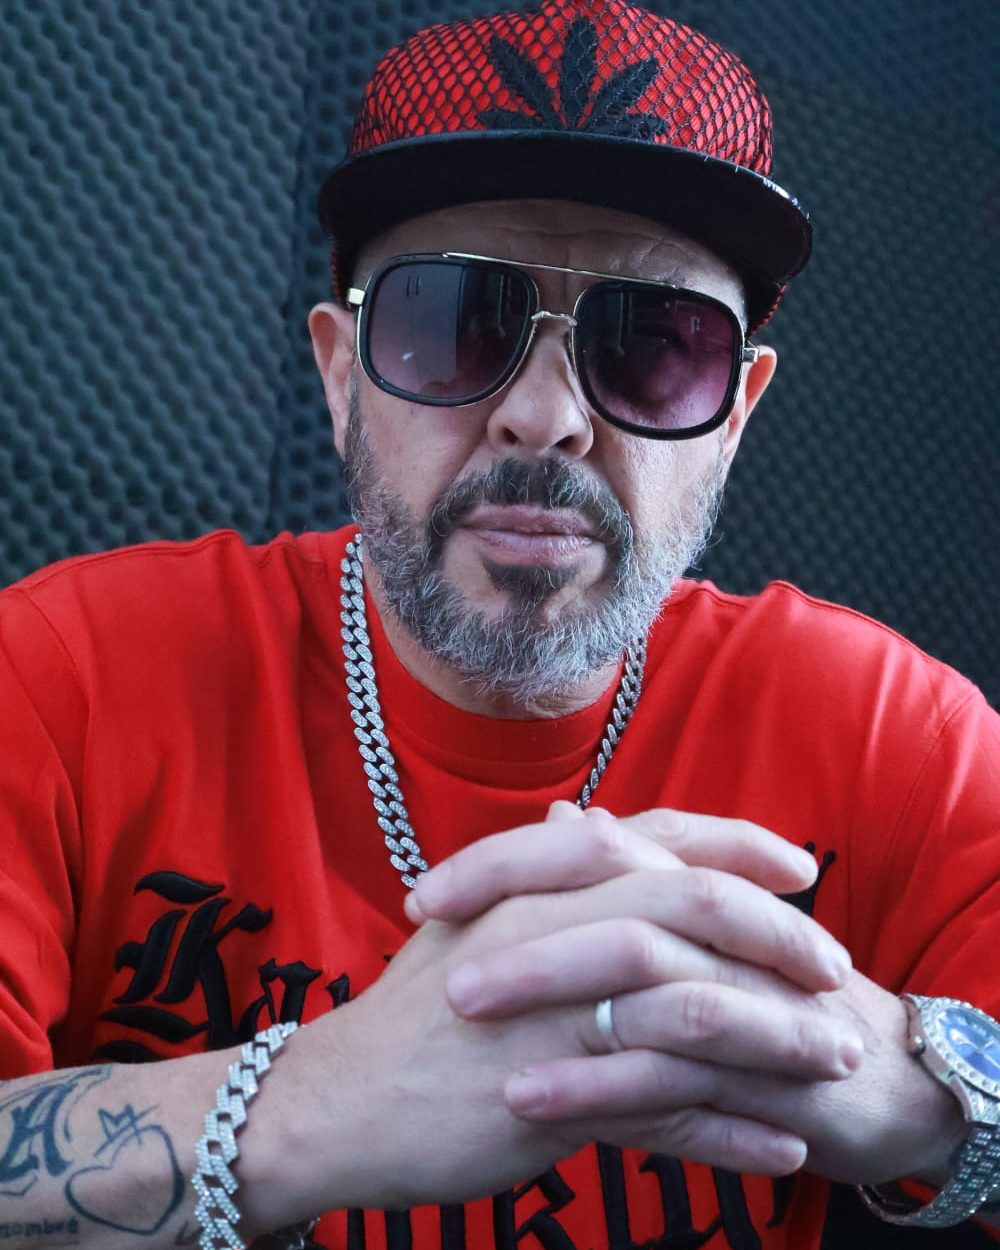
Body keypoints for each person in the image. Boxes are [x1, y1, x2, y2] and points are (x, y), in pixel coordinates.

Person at [0, 1, 998, 1247]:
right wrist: (305, 1105)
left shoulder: (893, 740)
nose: (545, 415)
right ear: (340, 375)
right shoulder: (64, 679)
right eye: (452, 321)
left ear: (736, 413)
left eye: (653, 344)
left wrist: (912, 1088)